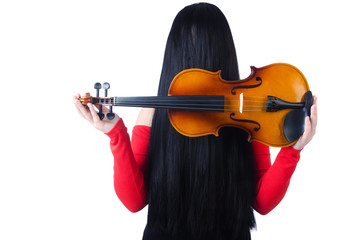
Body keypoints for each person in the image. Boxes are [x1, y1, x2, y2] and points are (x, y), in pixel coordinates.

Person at [74, 3, 317, 240]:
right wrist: (116, 133)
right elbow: (134, 201)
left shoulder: (245, 110)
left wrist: (293, 149)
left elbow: (261, 203)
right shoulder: (153, 112)